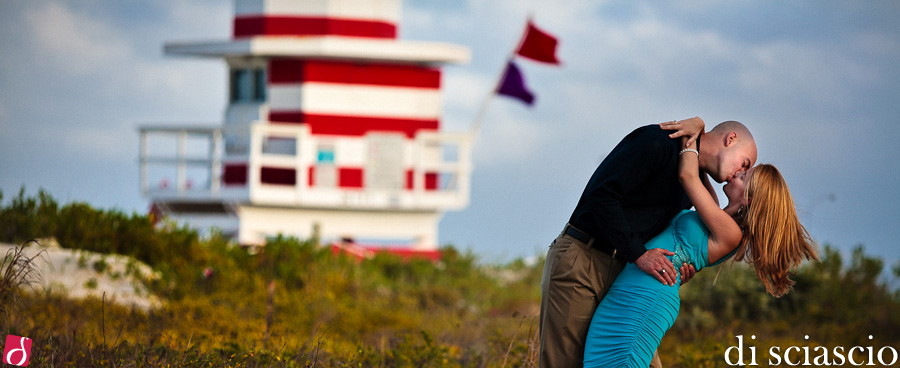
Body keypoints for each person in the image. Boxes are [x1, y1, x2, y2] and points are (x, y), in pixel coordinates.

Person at [582, 122, 818, 367]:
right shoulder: (716, 214)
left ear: (748, 199)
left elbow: (688, 175)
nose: (737, 172)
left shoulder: (731, 234)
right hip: (637, 286)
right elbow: (700, 165)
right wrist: (699, 128)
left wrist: (696, 128)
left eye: (744, 174)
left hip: (647, 295)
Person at [539, 117, 757, 367]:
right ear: (731, 139)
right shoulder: (656, 143)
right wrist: (639, 254)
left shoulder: (693, 183)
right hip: (584, 260)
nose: (741, 172)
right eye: (745, 163)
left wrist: (680, 265)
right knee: (566, 363)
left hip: (629, 277)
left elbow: (677, 235)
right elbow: (602, 195)